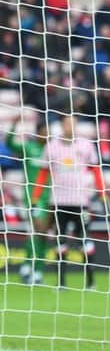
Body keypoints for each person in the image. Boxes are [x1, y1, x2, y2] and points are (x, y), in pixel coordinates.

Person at [31, 114, 107, 288]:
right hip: (58, 201)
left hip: (81, 201)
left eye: (72, 124)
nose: (69, 127)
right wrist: (35, 197)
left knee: (85, 240)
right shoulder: (51, 146)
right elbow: (43, 173)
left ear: (76, 126)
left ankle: (90, 282)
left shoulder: (86, 145)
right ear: (62, 125)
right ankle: (61, 282)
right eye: (66, 123)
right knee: (60, 241)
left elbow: (95, 170)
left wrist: (103, 195)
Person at [9, 116, 50, 285]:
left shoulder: (53, 150)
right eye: (43, 132)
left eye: (48, 133)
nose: (46, 135)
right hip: (33, 197)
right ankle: (32, 269)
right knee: (38, 230)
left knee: (42, 235)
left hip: (50, 199)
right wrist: (14, 124)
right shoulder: (29, 147)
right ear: (37, 133)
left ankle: (31, 268)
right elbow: (10, 143)